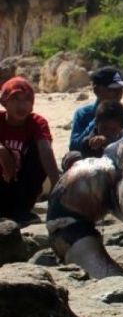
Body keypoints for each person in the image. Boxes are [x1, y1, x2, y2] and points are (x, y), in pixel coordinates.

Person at [0, 77, 61, 224]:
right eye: (15, 99)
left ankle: (21, 211)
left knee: (39, 152)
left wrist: (56, 183)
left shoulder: (36, 122)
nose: (22, 105)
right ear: (4, 102)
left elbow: (45, 150)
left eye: (27, 100)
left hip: (22, 186)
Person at [69, 67, 123, 153]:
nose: (118, 94)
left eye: (120, 89)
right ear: (97, 90)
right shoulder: (83, 114)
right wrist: (98, 120)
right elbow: (74, 146)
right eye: (112, 90)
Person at [60, 100, 123, 171]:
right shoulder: (91, 139)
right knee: (72, 157)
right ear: (96, 124)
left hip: (119, 173)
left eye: (113, 130)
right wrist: (94, 144)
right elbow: (85, 150)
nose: (108, 132)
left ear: (121, 127)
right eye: (104, 128)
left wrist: (108, 142)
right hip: (95, 174)